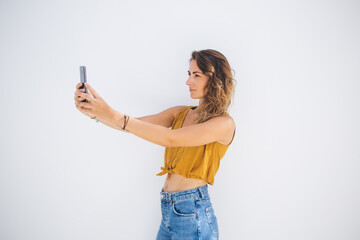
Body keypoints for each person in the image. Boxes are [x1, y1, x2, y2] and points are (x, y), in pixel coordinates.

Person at [74, 49, 236, 239]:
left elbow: (170, 138)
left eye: (196, 75)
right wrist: (95, 112)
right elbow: (131, 125)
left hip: (193, 211)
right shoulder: (180, 113)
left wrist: (109, 113)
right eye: (189, 74)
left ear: (215, 80)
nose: (188, 81)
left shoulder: (223, 124)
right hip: (169, 208)